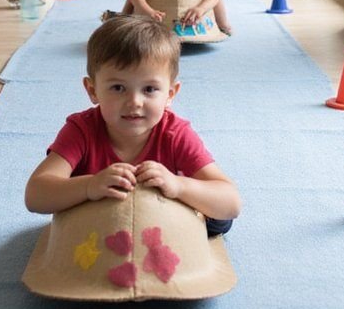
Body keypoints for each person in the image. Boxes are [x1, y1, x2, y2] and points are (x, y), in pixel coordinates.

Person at [25, 16, 240, 237]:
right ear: (92, 90)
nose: (134, 102)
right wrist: (90, 186)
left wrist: (178, 185)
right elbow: (35, 195)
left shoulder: (176, 133)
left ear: (170, 94)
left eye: (149, 89)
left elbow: (231, 202)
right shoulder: (81, 130)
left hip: (160, 225)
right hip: (97, 225)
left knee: (219, 221)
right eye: (118, 87)